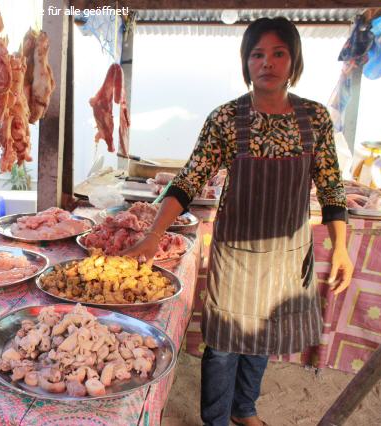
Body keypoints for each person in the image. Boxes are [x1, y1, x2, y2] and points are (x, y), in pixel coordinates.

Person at [122, 17, 353, 426]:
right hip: (237, 254)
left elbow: (333, 190)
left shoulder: (314, 119)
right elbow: (188, 180)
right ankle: (216, 420)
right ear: (246, 63)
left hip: (286, 254)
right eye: (257, 54)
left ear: (293, 60)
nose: (267, 63)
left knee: (263, 338)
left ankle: (244, 410)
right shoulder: (226, 119)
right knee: (225, 343)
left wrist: (342, 250)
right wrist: (153, 234)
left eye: (278, 53)